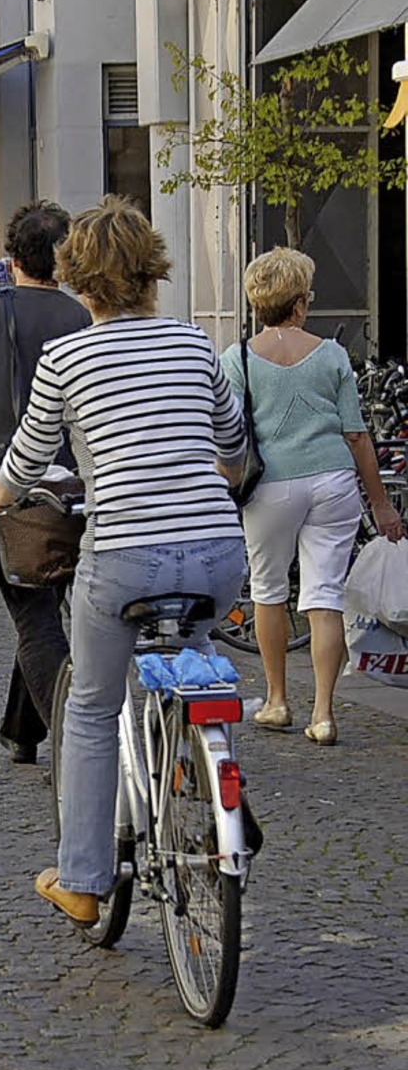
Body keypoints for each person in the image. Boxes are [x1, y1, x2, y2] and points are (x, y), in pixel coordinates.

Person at [0, 195, 248, 928]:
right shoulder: (194, 344)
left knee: (92, 707)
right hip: (217, 553)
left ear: (76, 278)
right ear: (152, 270)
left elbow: (28, 460)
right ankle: (205, 773)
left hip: (123, 554)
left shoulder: (68, 357)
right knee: (192, 656)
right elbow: (233, 444)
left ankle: (86, 879)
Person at [221, 246, 405, 748]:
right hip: (333, 483)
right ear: (300, 303)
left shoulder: (236, 360)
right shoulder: (331, 356)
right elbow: (357, 434)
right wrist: (381, 504)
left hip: (271, 487)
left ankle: (278, 699)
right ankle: (323, 713)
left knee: (268, 589)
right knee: (325, 593)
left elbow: (230, 436)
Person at [0, 200, 90, 766]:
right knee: (41, 597)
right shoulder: (82, 316)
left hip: (14, 481)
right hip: (75, 485)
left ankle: (79, 744)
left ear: (12, 259)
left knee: (32, 613)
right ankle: (20, 728)